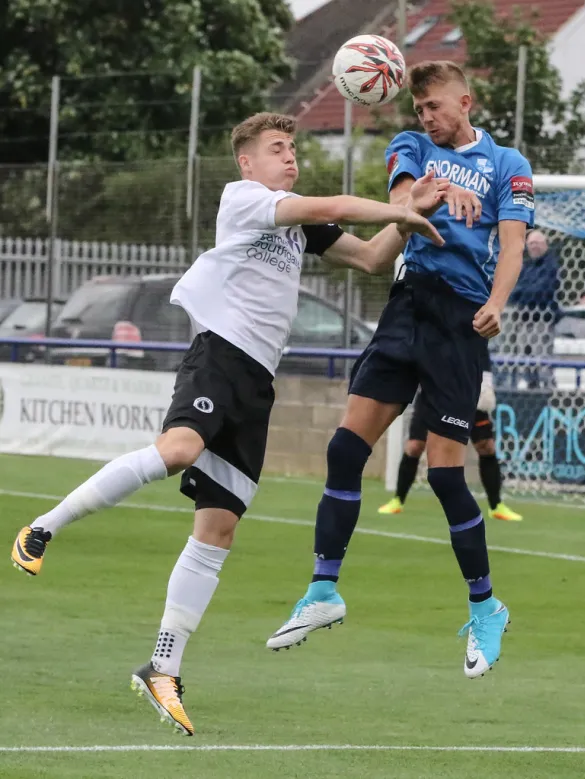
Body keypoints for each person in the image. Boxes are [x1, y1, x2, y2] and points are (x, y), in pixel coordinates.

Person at [10, 112, 445, 736]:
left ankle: (162, 668)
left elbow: (374, 259)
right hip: (219, 356)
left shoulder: (299, 223)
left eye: (292, 148)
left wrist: (407, 213)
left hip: (257, 384)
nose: (290, 157)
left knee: (218, 530)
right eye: (277, 148)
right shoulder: (243, 199)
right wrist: (397, 207)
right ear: (247, 163)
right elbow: (327, 204)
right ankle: (42, 528)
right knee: (179, 449)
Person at [267, 61, 535, 679]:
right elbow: (395, 204)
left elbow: (514, 244)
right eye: (419, 109)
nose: (426, 117)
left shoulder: (508, 164)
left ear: (465, 101)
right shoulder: (410, 146)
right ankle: (323, 590)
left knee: (444, 476)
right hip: (407, 305)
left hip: (460, 320)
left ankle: (486, 608)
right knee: (344, 449)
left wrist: (497, 303)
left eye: (435, 106)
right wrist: (421, 199)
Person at [378, 343, 523, 522]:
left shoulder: (472, 328)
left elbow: (481, 346)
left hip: (468, 387)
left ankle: (496, 506)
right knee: (415, 445)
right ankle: (398, 500)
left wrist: (486, 381)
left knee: (486, 445)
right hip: (434, 388)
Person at [507, 229, 560, 389]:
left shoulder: (551, 266)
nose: (534, 246)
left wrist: (522, 291)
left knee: (542, 357)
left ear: (545, 244)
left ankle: (548, 390)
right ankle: (531, 387)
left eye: (537, 243)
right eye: (531, 243)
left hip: (542, 319)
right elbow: (513, 290)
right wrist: (524, 291)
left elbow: (542, 290)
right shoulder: (526, 266)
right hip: (524, 319)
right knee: (525, 356)